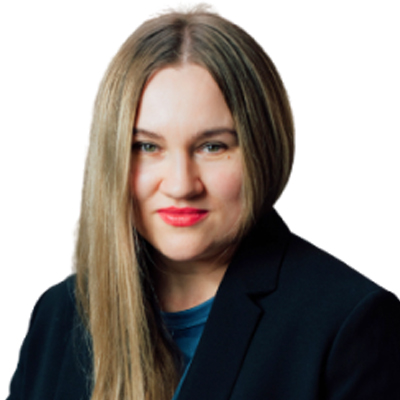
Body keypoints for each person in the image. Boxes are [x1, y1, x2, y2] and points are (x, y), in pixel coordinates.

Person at [7, 8, 400, 400]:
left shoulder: (350, 323)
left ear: (263, 150)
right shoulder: (59, 315)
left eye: (212, 146)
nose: (181, 185)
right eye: (147, 147)